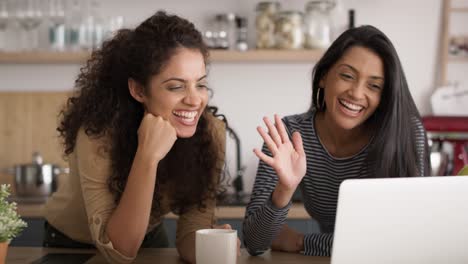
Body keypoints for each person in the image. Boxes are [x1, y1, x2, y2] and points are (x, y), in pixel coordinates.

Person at [43, 11, 233, 263]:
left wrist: (210, 246)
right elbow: (118, 251)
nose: (195, 99)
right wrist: (147, 155)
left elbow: (191, 232)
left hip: (147, 236)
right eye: (176, 86)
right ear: (139, 90)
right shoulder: (98, 133)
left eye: (200, 84)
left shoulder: (210, 132)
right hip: (72, 245)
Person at [243, 25, 430, 257]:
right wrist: (285, 188)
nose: (356, 93)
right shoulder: (289, 136)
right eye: (347, 76)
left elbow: (406, 240)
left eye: (374, 86)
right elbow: (254, 242)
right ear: (324, 76)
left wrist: (302, 242)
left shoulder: (405, 135)